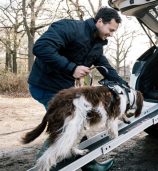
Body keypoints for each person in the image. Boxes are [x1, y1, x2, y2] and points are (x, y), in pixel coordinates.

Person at [28, 7, 127, 171]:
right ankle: (42, 166)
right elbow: (41, 47)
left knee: (78, 124)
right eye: (111, 29)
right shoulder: (69, 28)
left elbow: (106, 67)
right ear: (100, 21)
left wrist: (123, 84)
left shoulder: (97, 45)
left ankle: (89, 165)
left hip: (64, 90)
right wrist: (71, 68)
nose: (111, 34)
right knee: (67, 127)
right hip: (43, 85)